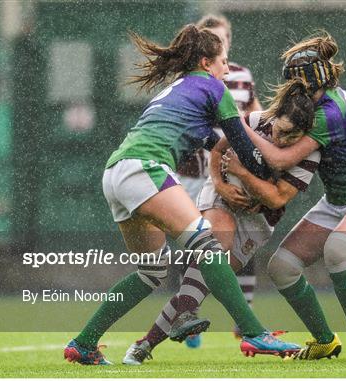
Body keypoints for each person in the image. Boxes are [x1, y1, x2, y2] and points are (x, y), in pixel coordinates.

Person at [63, 24, 300, 366]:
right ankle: (253, 332)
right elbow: (244, 148)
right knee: (207, 245)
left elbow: (208, 141)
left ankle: (84, 344)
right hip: (144, 169)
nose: (228, 69)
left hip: (116, 172)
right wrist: (278, 170)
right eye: (223, 61)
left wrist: (227, 159)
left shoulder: (180, 88)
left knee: (151, 272)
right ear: (206, 63)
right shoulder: (214, 88)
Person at [122, 79, 320, 365]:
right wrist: (221, 183)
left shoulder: (308, 153)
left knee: (201, 283)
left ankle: (142, 346)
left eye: (293, 137)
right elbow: (217, 150)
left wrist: (243, 172)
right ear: (275, 117)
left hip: (258, 219)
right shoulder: (253, 120)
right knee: (216, 248)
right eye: (282, 131)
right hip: (220, 199)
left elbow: (277, 200)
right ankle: (254, 332)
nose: (283, 141)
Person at [244, 32, 346, 360]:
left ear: (302, 82)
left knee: (339, 247)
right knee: (282, 267)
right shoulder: (316, 102)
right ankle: (324, 340)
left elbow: (280, 159)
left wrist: (239, 130)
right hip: (339, 201)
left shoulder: (328, 112)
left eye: (292, 83)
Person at [172, 15, 263, 349]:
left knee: (242, 241)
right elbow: (205, 133)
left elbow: (254, 115)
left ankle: (245, 320)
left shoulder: (239, 76)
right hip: (193, 173)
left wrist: (259, 157)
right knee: (195, 246)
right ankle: (189, 317)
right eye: (210, 39)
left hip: (230, 167)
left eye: (221, 39)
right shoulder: (193, 78)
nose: (216, 44)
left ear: (229, 41)